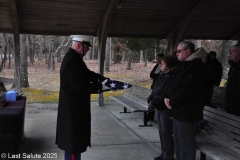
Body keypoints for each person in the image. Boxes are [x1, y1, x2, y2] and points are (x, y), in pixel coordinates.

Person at [55, 35, 110, 160]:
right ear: (79, 45)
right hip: (73, 112)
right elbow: (80, 87)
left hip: (76, 111)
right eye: (87, 47)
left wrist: (101, 79)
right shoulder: (71, 62)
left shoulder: (75, 59)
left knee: (76, 144)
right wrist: (101, 87)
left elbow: (87, 74)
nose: (88, 50)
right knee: (73, 146)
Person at [164, 42, 207, 160]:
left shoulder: (195, 67)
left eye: (179, 51)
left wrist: (171, 101)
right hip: (179, 112)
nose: (176, 54)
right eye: (176, 52)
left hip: (187, 114)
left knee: (186, 145)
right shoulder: (184, 65)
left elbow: (187, 91)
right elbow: (175, 84)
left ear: (188, 51)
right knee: (178, 143)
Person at [147, 55, 176, 160]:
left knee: (166, 132)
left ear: (168, 65)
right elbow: (155, 88)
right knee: (161, 131)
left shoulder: (172, 77)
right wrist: (150, 98)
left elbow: (165, 92)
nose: (161, 65)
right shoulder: (162, 75)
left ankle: (169, 155)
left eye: (163, 64)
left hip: (165, 108)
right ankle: (163, 152)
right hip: (158, 107)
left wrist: (154, 101)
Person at [147, 53, 165, 121]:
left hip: (160, 88)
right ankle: (150, 115)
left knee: (156, 101)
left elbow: (158, 75)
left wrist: (156, 74)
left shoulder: (163, 67)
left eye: (159, 58)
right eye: (157, 58)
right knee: (152, 101)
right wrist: (155, 74)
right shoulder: (156, 66)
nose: (158, 60)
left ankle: (154, 116)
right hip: (155, 86)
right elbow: (151, 75)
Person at [225, 44, 240, 117]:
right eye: (230, 51)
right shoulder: (233, 66)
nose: (230, 53)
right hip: (230, 104)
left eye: (232, 51)